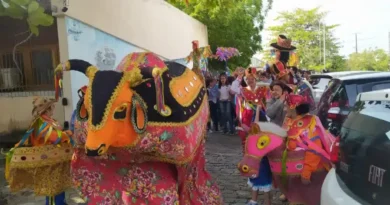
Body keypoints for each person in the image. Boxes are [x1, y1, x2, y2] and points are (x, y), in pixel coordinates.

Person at [5, 97, 74, 205]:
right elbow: (54, 137)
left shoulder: (50, 120)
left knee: (59, 188)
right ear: (47, 109)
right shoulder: (41, 123)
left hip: (56, 162)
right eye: (52, 107)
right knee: (52, 190)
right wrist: (68, 133)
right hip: (48, 163)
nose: (54, 109)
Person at [284, 93, 333, 185]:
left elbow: (314, 150)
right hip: (296, 168)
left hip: (312, 172)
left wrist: (306, 172)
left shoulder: (309, 125)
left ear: (292, 107)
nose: (284, 109)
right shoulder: (291, 121)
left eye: (286, 106)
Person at [246, 97, 273, 205]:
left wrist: (257, 110)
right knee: (255, 182)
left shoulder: (265, 135)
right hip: (255, 163)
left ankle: (266, 203)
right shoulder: (257, 133)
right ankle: (253, 201)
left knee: (264, 185)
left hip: (263, 164)